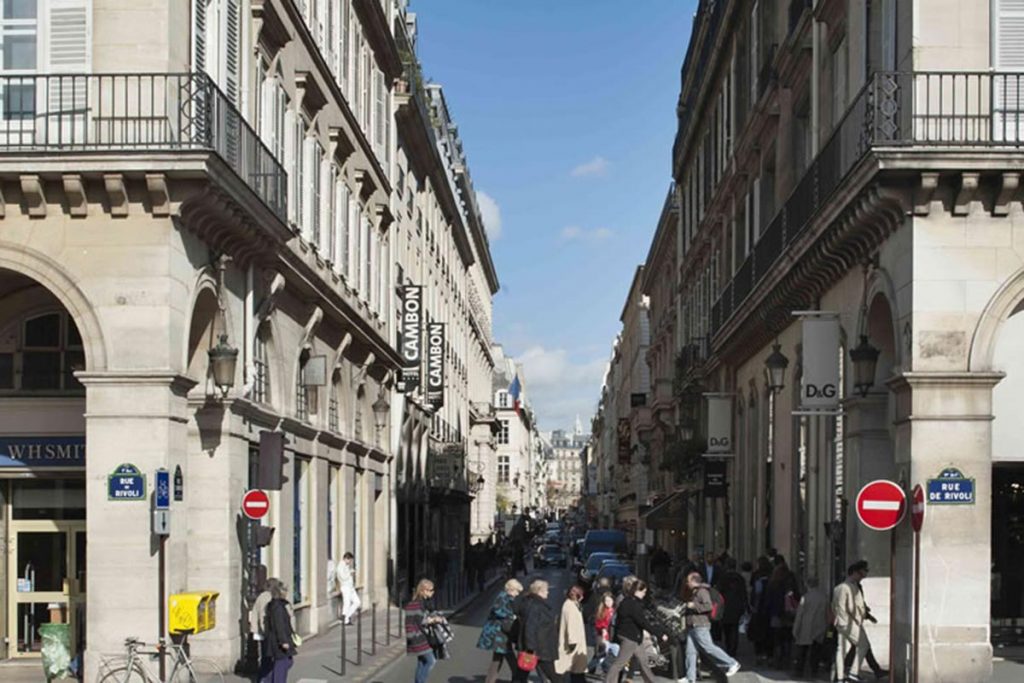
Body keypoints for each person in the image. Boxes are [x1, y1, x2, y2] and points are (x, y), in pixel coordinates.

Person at [603, 580, 669, 683]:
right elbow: (643, 622)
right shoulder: (634, 605)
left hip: (631, 636)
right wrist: (660, 634)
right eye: (643, 592)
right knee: (619, 663)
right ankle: (609, 681)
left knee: (643, 662)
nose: (644, 595)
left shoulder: (625, 601)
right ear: (637, 591)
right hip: (631, 637)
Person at [681, 571, 741, 683]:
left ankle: (732, 663)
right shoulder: (695, 591)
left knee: (709, 647)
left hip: (700, 625)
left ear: (694, 581)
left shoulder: (702, 591)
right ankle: (690, 678)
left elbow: (708, 606)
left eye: (688, 581)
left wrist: (694, 606)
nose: (687, 583)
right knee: (690, 652)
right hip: (693, 625)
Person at [514, 580, 562, 682]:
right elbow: (530, 626)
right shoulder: (535, 606)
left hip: (537, 647)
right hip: (539, 648)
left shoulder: (533, 603)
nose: (548, 592)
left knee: (521, 675)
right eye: (546, 590)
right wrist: (530, 648)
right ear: (539, 591)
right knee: (554, 677)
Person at [477, 578, 523, 683]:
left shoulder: (505, 597)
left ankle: (491, 680)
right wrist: (512, 616)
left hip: (499, 632)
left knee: (498, 658)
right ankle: (519, 679)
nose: (517, 594)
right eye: (517, 591)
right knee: (506, 656)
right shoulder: (503, 598)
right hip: (498, 633)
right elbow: (499, 611)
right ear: (511, 589)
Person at [833, 561, 870, 683]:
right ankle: (854, 672)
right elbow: (851, 607)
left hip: (839, 621)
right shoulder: (850, 587)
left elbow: (833, 606)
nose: (862, 577)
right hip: (849, 621)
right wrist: (858, 619)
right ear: (854, 572)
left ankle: (839, 676)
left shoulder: (838, 588)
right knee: (863, 645)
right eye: (861, 574)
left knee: (840, 649)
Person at [791, 577, 829, 679]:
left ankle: (799, 671)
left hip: (806, 627)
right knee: (816, 651)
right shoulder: (824, 597)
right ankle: (814, 671)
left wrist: (795, 629)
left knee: (802, 651)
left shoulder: (805, 597)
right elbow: (827, 613)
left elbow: (799, 615)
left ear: (807, 585)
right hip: (820, 627)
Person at [406, 579, 443, 683]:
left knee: (422, 662)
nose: (433, 592)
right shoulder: (416, 603)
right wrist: (433, 620)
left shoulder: (420, 602)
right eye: (430, 590)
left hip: (419, 636)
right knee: (431, 661)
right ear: (423, 590)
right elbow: (418, 621)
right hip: (417, 637)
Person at [261, 579, 297, 683]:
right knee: (282, 664)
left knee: (287, 662)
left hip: (278, 639)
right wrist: (283, 641)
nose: (286, 593)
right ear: (279, 591)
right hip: (278, 641)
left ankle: (267, 681)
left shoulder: (277, 604)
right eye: (285, 590)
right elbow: (279, 625)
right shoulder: (277, 607)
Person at [765, 556, 799, 668]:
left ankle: (778, 659)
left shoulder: (773, 581)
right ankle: (787, 657)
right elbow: (797, 594)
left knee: (777, 637)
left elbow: (769, 598)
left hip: (776, 613)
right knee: (788, 637)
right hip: (789, 612)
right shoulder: (791, 578)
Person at [716, 557, 749, 657]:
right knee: (734, 627)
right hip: (736, 606)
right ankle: (733, 648)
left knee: (726, 628)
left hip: (725, 605)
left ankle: (728, 647)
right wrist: (744, 605)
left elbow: (719, 592)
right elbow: (744, 593)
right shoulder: (739, 578)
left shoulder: (723, 578)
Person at [556, 585, 589, 682]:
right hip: (574, 643)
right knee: (574, 670)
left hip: (576, 642)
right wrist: (572, 641)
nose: (582, 597)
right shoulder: (570, 606)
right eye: (581, 595)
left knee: (576, 670)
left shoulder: (573, 605)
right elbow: (571, 623)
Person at [749, 556, 773, 662]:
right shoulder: (772, 576)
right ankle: (768, 654)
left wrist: (754, 607)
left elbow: (756, 594)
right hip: (769, 609)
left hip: (759, 609)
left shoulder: (757, 577)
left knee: (758, 631)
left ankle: (759, 653)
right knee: (768, 632)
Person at [588, 592, 619, 674]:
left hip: (613, 637)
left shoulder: (615, 611)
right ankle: (590, 669)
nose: (608, 602)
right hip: (604, 637)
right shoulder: (602, 611)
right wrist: (603, 630)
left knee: (613, 655)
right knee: (602, 656)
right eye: (606, 601)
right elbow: (598, 624)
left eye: (610, 600)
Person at [336, 552, 361, 625]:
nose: (350, 562)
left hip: (350, 587)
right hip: (345, 587)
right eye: (349, 560)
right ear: (346, 559)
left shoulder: (346, 566)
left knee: (357, 602)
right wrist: (350, 573)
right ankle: (345, 618)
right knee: (347, 602)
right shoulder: (340, 566)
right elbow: (342, 577)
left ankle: (346, 616)